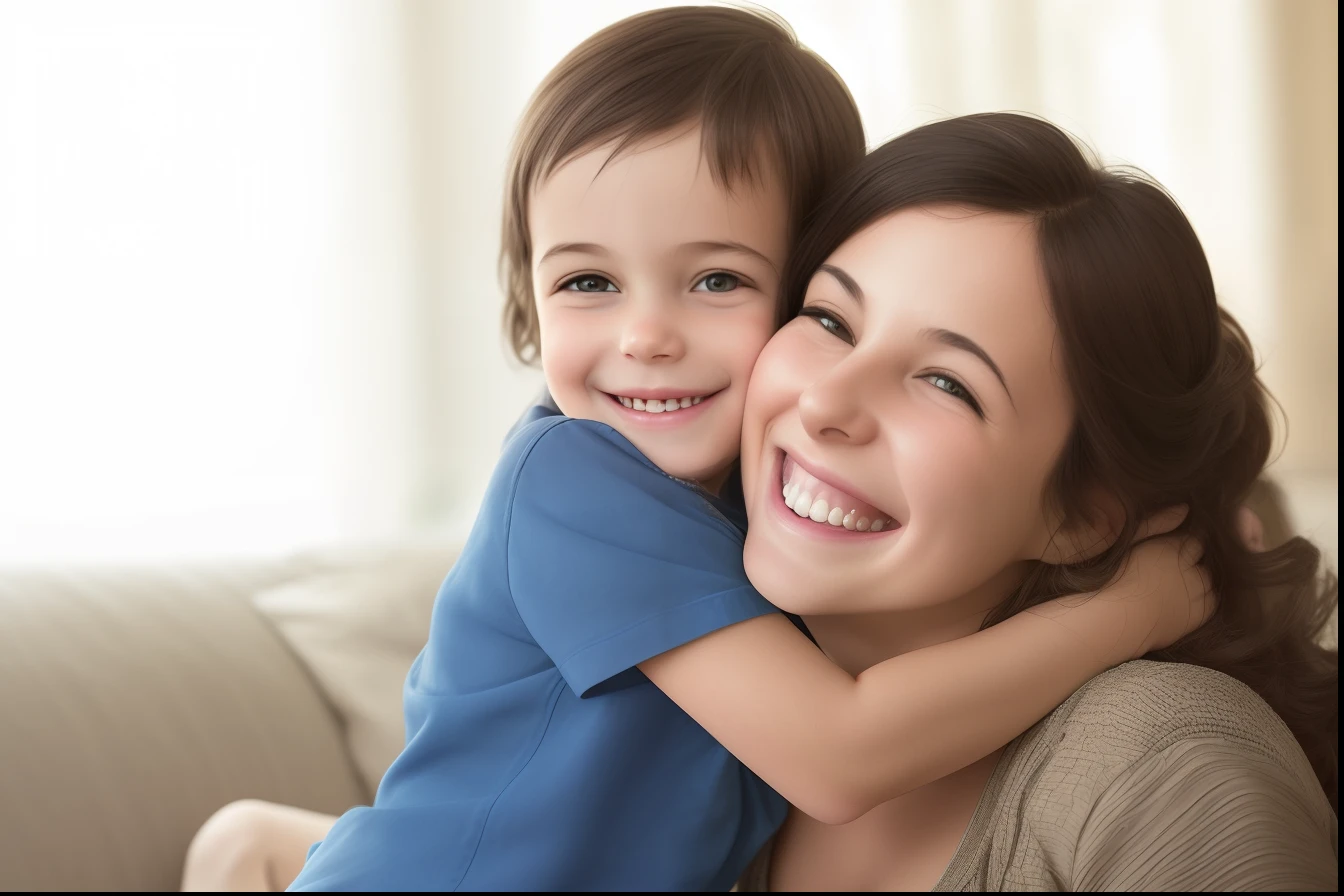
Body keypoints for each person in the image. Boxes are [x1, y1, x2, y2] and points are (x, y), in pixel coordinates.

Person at [185, 9, 1210, 893]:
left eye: (715, 279)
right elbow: (839, 751)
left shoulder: (778, 523)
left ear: (807, 281)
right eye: (587, 282)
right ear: (530, 304)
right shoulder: (572, 482)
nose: (646, 336)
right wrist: (1128, 609)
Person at [731, 112, 1337, 891]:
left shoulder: (1162, 768)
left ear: (1084, 517)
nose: (825, 403)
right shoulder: (697, 711)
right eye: (829, 319)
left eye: (948, 383)